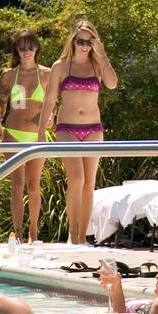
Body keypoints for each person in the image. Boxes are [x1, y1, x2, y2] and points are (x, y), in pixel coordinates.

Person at [38, 20, 118, 246]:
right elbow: (50, 98)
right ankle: (72, 236)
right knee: (76, 179)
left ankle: (83, 237)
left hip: (93, 129)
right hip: (67, 129)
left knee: (89, 184)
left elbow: (112, 84)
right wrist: (41, 131)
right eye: (80, 41)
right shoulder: (61, 66)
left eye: (89, 41)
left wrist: (102, 55)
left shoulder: (96, 65)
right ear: (72, 41)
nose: (84, 45)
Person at [0, 30, 53, 245]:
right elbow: (1, 102)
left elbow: (52, 101)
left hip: (37, 135)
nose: (27, 51)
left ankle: (33, 232)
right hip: (12, 133)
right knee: (16, 184)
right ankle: (17, 232)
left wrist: (51, 116)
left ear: (37, 48)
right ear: (16, 51)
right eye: (22, 47)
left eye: (31, 47)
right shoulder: (9, 75)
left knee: (33, 185)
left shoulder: (46, 73)